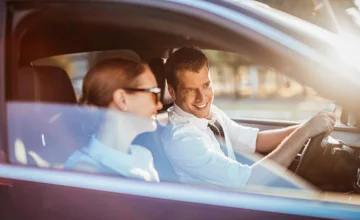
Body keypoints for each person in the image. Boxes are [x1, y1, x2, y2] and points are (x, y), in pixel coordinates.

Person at [161, 47, 335, 189]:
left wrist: (307, 127)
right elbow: (250, 180)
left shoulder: (210, 113)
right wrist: (304, 133)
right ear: (172, 92)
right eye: (189, 90)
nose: (202, 98)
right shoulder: (182, 140)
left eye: (206, 85)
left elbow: (255, 141)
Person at [65, 58, 163, 182]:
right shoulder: (85, 171)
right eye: (154, 94)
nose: (159, 105)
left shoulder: (143, 155)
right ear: (123, 99)